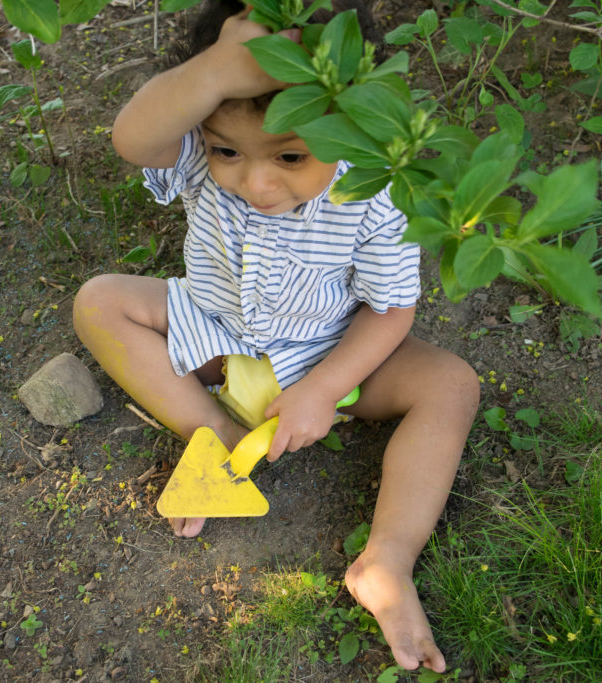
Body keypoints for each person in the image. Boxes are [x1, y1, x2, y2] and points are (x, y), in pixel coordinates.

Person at [73, 0, 480, 672]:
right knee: (101, 302)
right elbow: (133, 139)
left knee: (451, 383)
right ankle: (218, 436)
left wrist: (323, 387)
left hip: (327, 351)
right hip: (216, 334)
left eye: (290, 155)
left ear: (355, 130)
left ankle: (387, 558)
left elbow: (389, 313)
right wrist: (212, 73)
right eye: (226, 150)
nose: (255, 182)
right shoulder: (200, 146)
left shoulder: (374, 192)